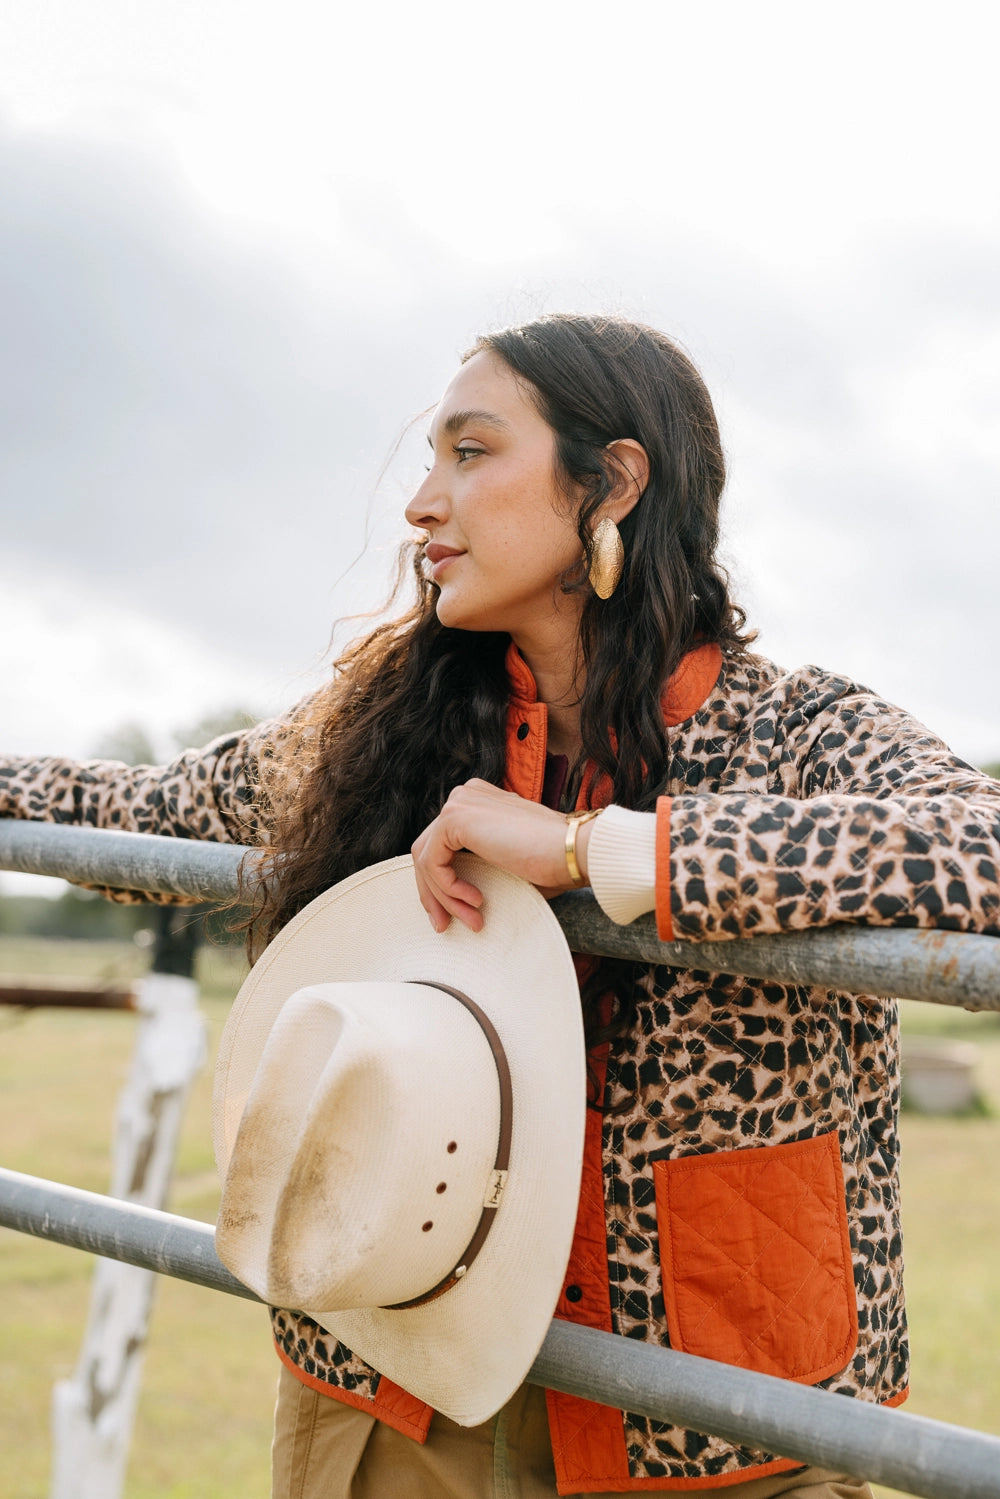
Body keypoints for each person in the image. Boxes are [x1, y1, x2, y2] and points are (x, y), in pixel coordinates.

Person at [3, 314, 999, 1499]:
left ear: (613, 481)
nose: (423, 503)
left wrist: (595, 851)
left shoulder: (793, 727)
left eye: (470, 454)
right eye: (430, 459)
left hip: (712, 1423)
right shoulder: (390, 725)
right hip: (395, 1390)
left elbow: (977, 844)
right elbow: (162, 812)